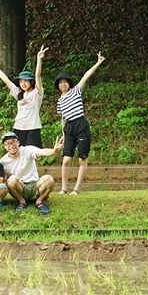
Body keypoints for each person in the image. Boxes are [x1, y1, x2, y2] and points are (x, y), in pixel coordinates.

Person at [56, 52, 105, 194]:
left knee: (81, 159)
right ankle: (64, 188)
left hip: (81, 124)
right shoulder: (60, 100)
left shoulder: (76, 90)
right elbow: (63, 118)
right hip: (69, 127)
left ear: (69, 83)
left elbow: (86, 76)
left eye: (65, 81)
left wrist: (98, 63)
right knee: (66, 160)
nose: (63, 84)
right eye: (60, 82)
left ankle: (76, 188)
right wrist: (64, 135)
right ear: (58, 85)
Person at [0, 46, 47, 147]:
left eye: (26, 81)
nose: (23, 84)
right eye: (21, 81)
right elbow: (6, 80)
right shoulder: (19, 93)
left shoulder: (37, 93)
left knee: (33, 154)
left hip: (32, 128)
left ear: (31, 82)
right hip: (18, 127)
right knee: (18, 154)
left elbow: (38, 76)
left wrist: (39, 60)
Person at [0, 132, 63, 214]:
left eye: (13, 142)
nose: (11, 145)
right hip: (20, 188)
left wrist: (53, 151)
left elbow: (42, 152)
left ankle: (39, 201)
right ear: (4, 146)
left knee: (49, 179)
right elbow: (0, 179)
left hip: (35, 185)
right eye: (7, 144)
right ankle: (21, 201)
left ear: (18, 142)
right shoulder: (3, 161)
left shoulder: (27, 150)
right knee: (11, 180)